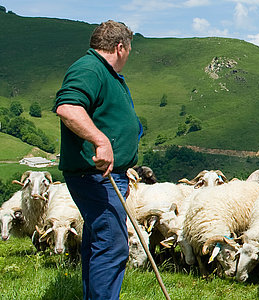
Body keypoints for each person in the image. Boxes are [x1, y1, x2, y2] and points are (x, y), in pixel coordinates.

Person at [53, 20, 142, 300]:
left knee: (98, 240)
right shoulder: (89, 69)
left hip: (106, 175)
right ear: (120, 47)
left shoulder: (104, 72)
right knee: (113, 244)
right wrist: (101, 141)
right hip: (95, 175)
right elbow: (68, 107)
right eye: (129, 50)